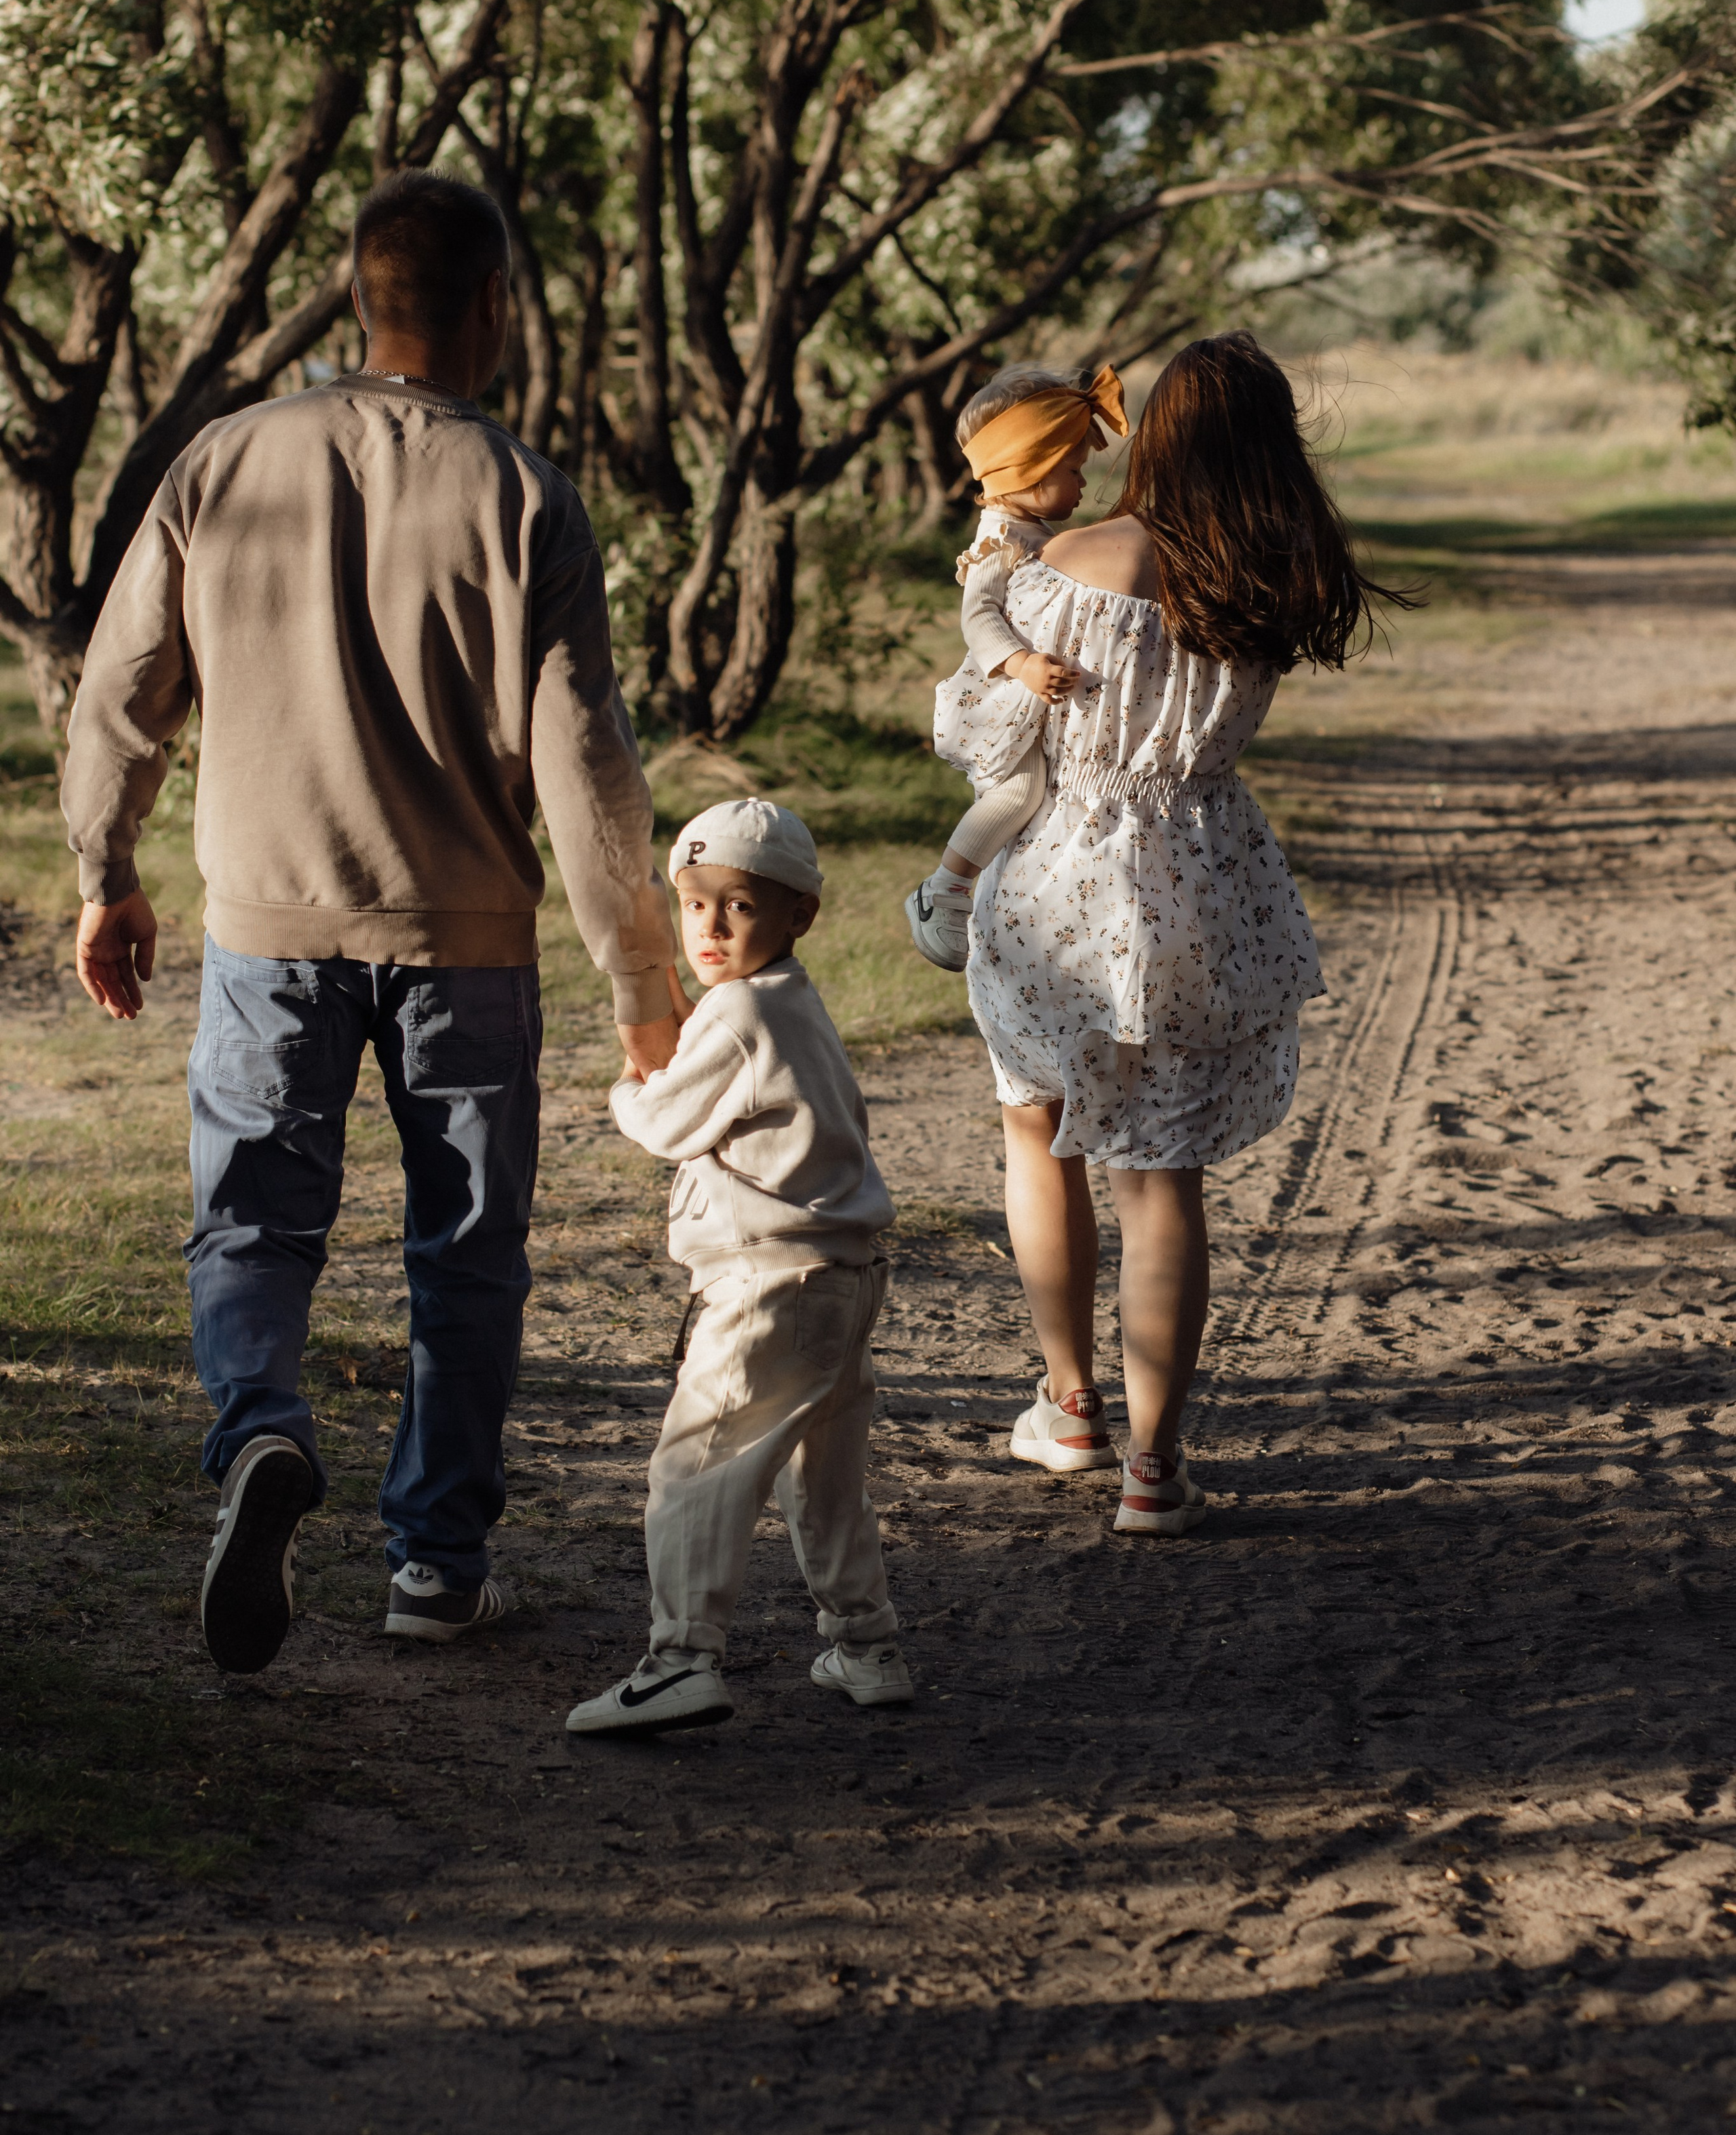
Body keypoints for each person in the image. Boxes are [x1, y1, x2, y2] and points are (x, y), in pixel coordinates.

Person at [60, 169, 680, 1674]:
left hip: (269, 928)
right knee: (464, 1251)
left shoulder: (224, 457)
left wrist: (105, 869)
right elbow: (583, 759)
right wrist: (642, 974)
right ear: (495, 309)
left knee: (253, 1219)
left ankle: (262, 1431)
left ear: (353, 298)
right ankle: (436, 1566)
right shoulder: (523, 494)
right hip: (464, 941)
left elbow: (123, 688)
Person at [950, 332, 1403, 1533]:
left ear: (1154, 437)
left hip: (1059, 889)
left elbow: (992, 736)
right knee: (1161, 1180)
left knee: (1039, 1130)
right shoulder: (1267, 580)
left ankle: (1069, 1404)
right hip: (1200, 883)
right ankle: (1154, 1467)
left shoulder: (1064, 567)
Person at [565, 798, 907, 1736]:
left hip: (769, 1285)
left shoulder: (741, 1012)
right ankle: (866, 1645)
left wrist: (629, 1083)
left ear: (800, 914)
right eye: (694, 905)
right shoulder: (791, 998)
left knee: (699, 1460)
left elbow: (664, 1121)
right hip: (840, 1276)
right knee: (822, 1476)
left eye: (741, 906)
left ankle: (680, 1660)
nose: (710, 927)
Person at [904, 363, 1128, 971]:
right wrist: (1023, 663)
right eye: (1073, 470)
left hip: (1030, 698)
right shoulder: (999, 537)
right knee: (1020, 791)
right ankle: (944, 890)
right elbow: (977, 615)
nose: (1083, 482)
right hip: (1005, 697)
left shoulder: (1031, 526)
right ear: (1029, 469)